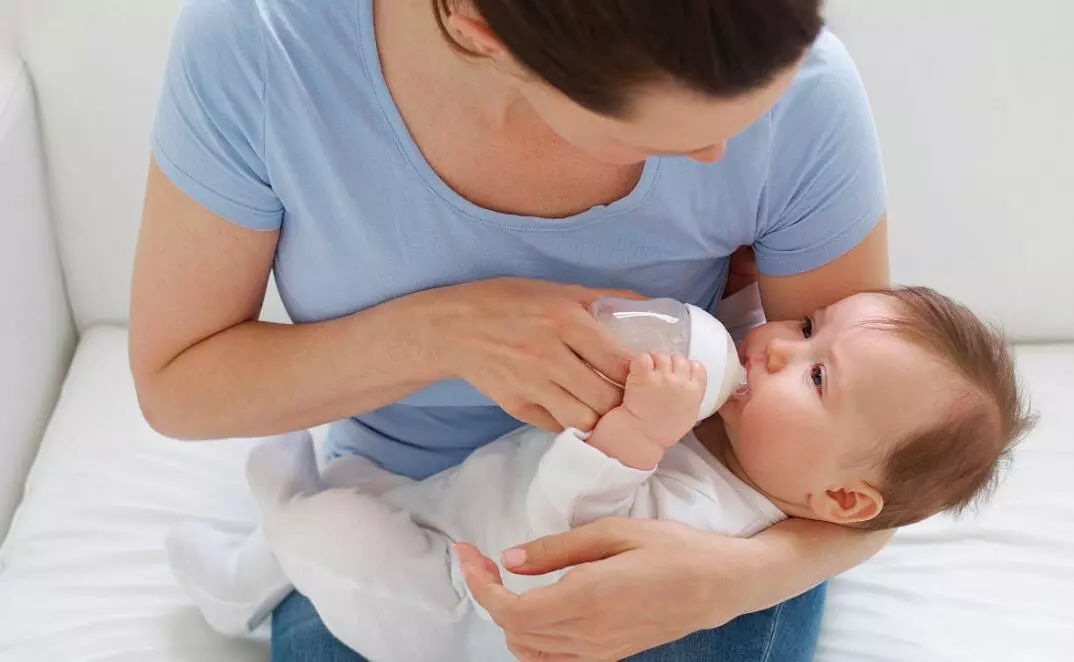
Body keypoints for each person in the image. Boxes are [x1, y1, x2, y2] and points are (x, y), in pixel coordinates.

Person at [131, 0, 891, 659]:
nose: (717, 154)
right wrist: (441, 334)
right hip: (412, 503)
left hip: (683, 511)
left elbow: (883, 462)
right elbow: (178, 385)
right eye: (663, 134)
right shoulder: (264, 48)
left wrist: (728, 582)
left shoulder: (802, 88)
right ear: (483, 29)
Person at [165, 286, 1033, 661]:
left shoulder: (711, 522)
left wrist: (633, 437)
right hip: (447, 498)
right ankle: (249, 573)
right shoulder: (748, 428)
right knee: (357, 498)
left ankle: (270, 524)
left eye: (813, 375)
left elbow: (562, 541)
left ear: (840, 497)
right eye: (808, 324)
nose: (773, 341)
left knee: (328, 533)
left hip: (457, 598)